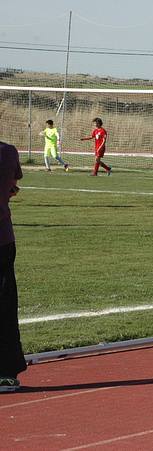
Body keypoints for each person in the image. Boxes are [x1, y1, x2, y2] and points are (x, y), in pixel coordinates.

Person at [0, 141, 25, 392]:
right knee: (5, 306)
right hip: (4, 239)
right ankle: (6, 371)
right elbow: (13, 185)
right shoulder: (8, 152)